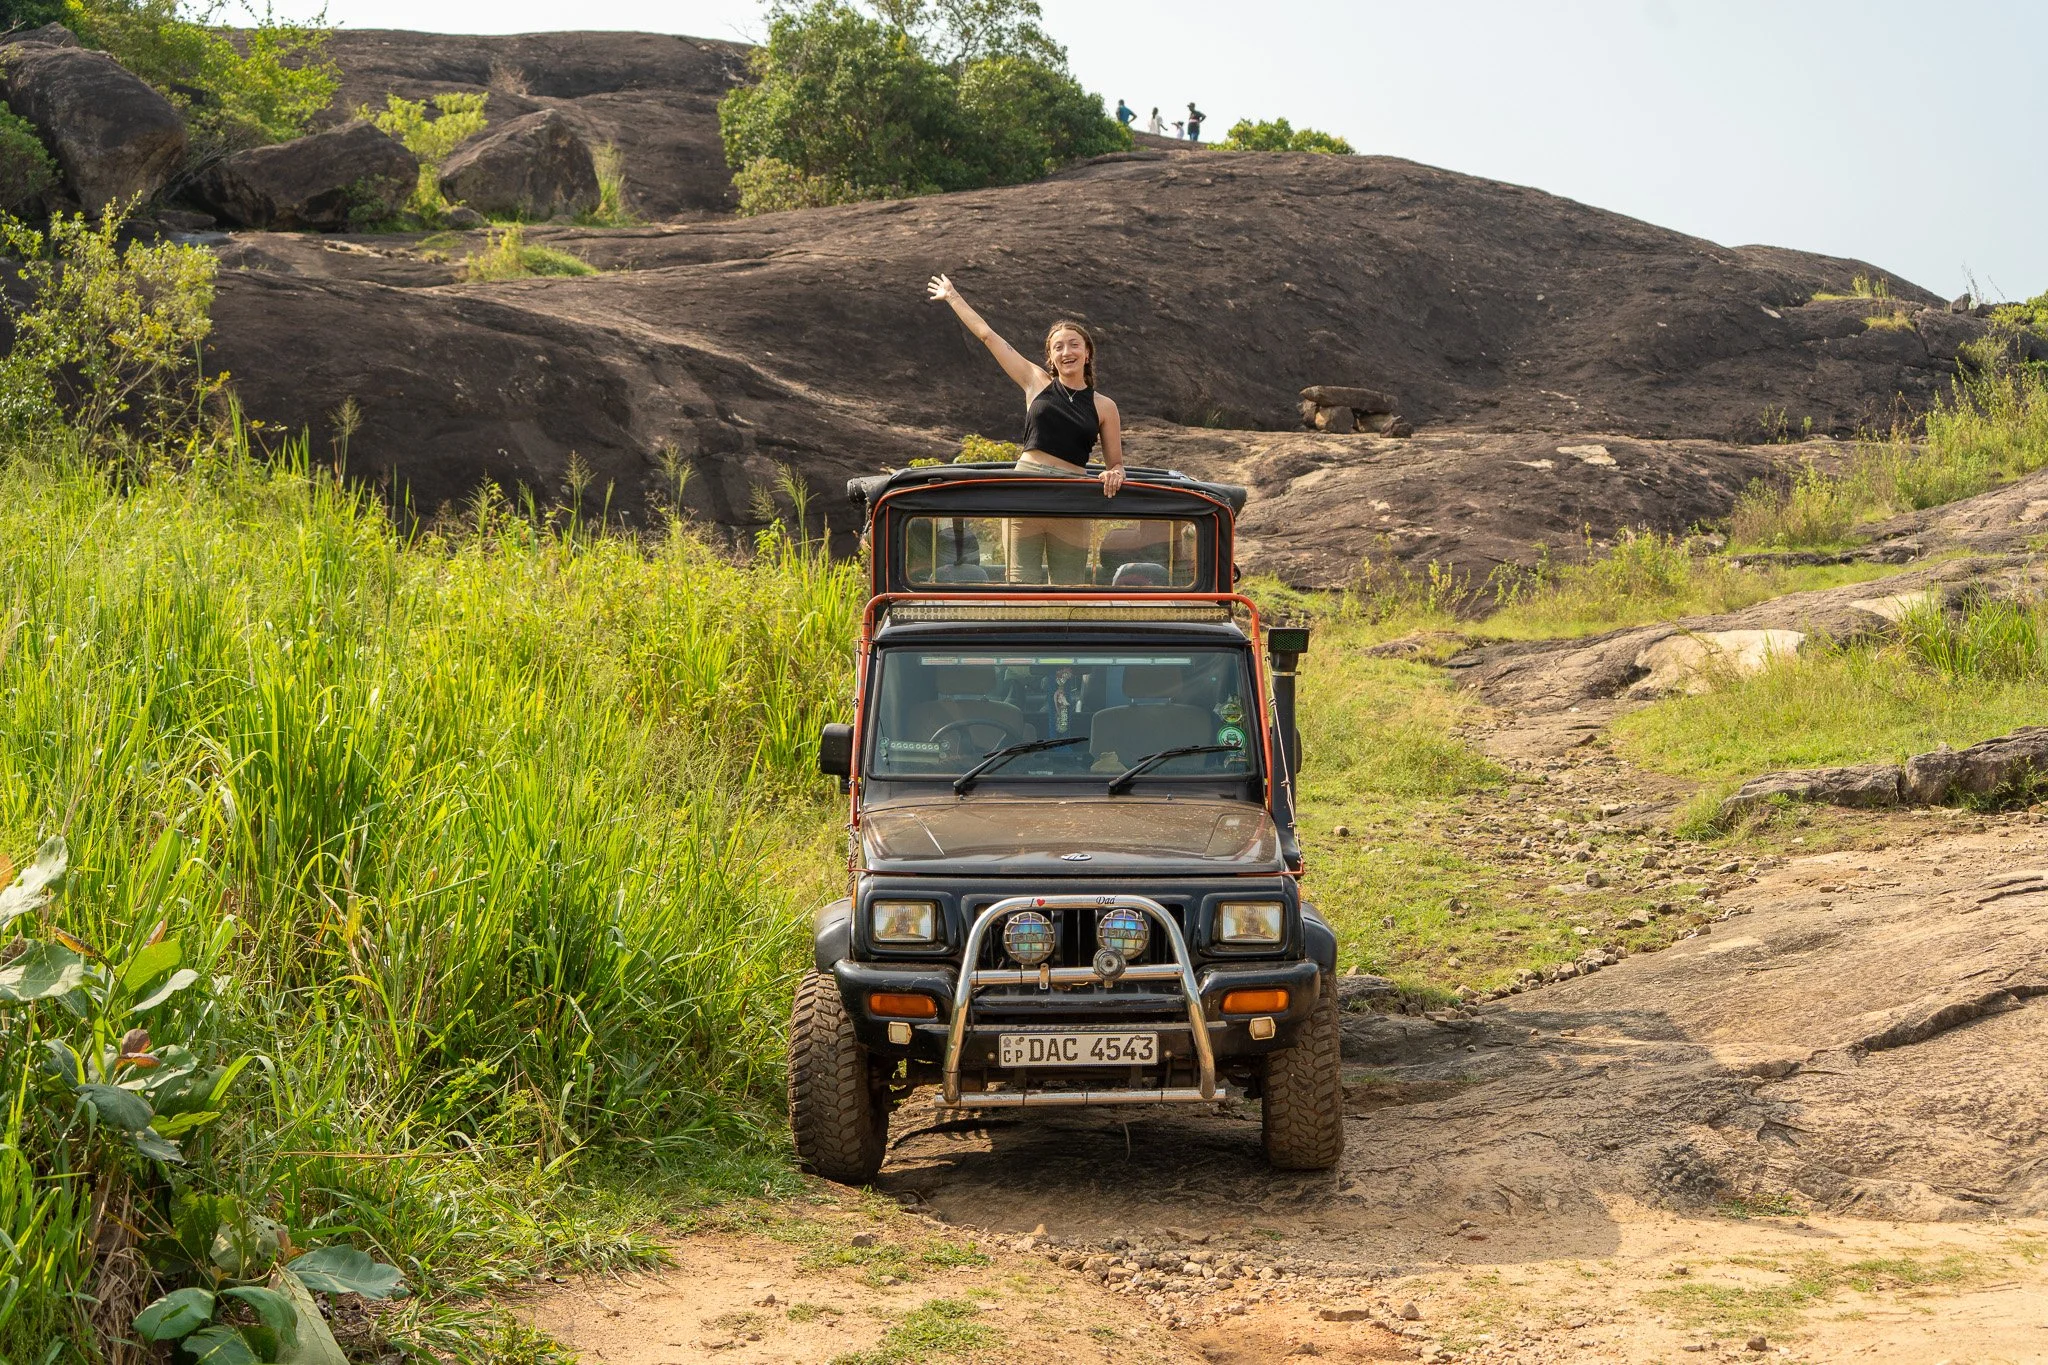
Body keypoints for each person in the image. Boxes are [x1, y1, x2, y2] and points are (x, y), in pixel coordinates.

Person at [927, 274, 1126, 582]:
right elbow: (989, 337)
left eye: (1074, 345)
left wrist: (1114, 473)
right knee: (1022, 582)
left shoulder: (1105, 406)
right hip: (1025, 487)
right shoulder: (1035, 382)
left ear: (1087, 353)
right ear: (1051, 356)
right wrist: (952, 296)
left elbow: (1116, 464)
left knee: (1070, 586)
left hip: (1071, 494)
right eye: (1058, 347)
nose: (1066, 352)